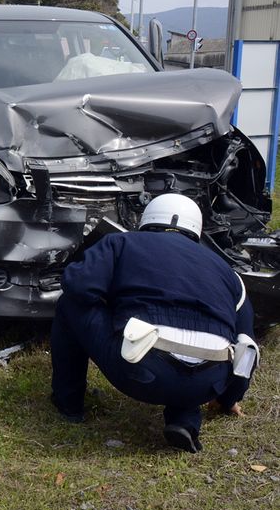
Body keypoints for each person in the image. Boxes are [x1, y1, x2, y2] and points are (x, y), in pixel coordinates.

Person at [50, 193, 260, 453]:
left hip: (141, 370)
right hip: (207, 383)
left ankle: (68, 404)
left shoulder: (121, 243)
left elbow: (77, 286)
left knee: (69, 304)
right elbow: (247, 346)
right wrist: (229, 398)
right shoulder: (228, 272)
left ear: (146, 220)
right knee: (195, 350)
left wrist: (115, 301)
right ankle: (184, 421)